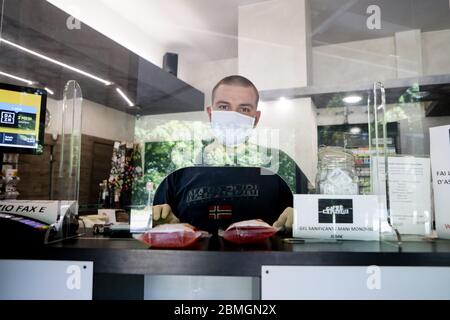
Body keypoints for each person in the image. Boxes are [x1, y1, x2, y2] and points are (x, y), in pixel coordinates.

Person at [152, 75, 308, 232]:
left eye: (244, 109)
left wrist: (303, 215)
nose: (233, 117)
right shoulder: (182, 165)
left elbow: (322, 212)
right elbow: (154, 218)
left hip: (264, 257)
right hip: (194, 257)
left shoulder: (278, 163)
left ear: (256, 118)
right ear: (210, 113)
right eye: (224, 107)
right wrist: (162, 222)